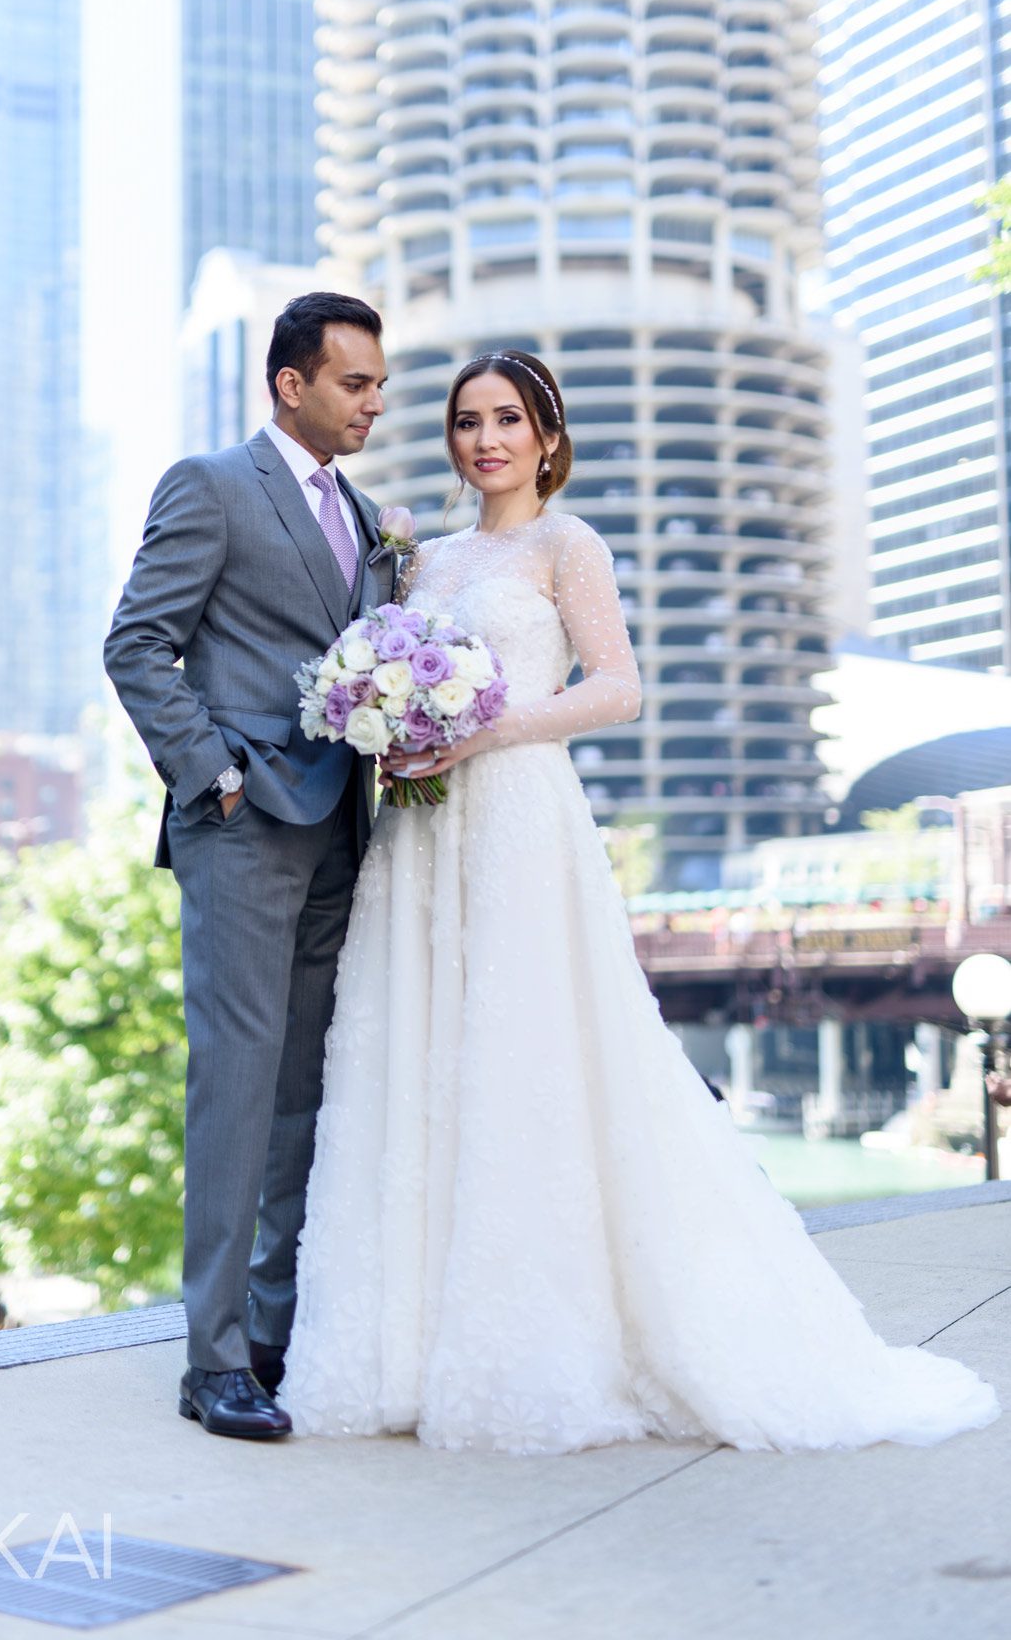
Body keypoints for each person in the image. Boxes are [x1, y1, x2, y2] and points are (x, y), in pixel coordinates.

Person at [282, 350, 999, 1453]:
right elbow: (386, 653)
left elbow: (620, 685)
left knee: (530, 1053)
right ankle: (402, 1339)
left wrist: (493, 725)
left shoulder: (569, 545)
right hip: (422, 825)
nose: (487, 439)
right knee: (416, 1051)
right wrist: (393, 716)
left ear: (547, 435)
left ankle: (541, 1335)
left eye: (509, 418)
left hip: (520, 811)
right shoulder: (421, 554)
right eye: (469, 420)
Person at [106, 291, 393, 1441]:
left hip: (342, 830)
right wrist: (210, 773)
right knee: (234, 1083)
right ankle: (210, 1358)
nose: (374, 402)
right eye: (355, 383)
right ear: (292, 383)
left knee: (303, 1091)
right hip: (240, 826)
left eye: (377, 384)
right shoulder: (212, 484)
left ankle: (271, 1334)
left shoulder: (370, 516)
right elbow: (138, 640)